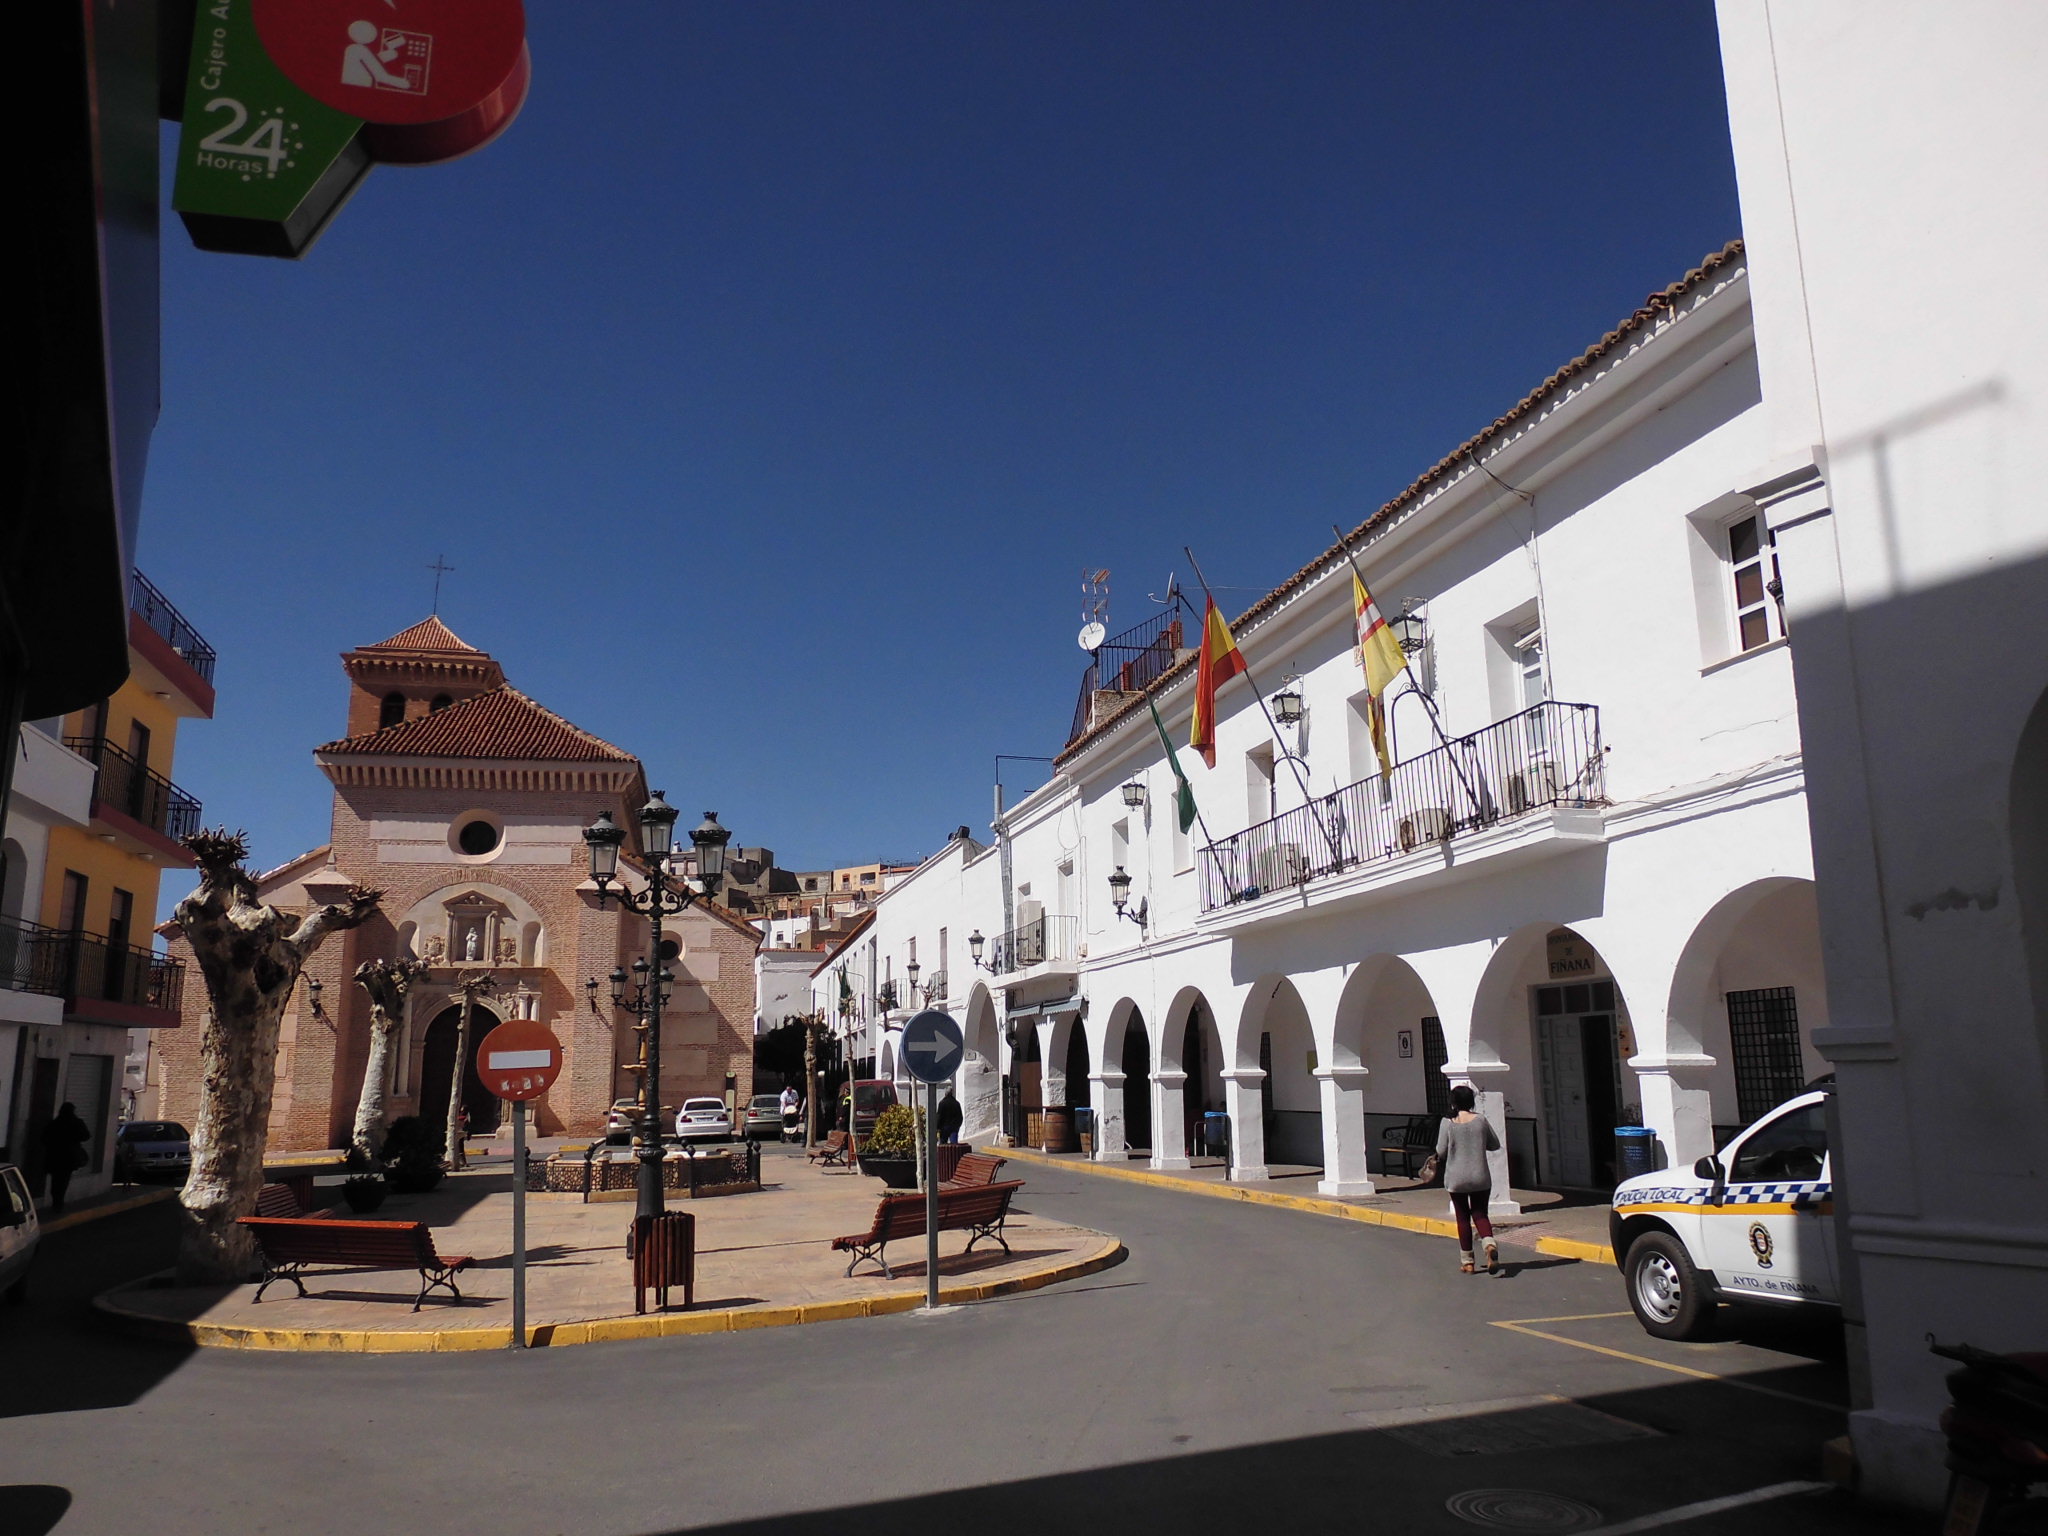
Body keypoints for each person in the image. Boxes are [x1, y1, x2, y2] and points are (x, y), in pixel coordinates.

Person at [1435, 1084, 1502, 1274]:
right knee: (1480, 1214)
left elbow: (1440, 1150)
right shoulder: (1480, 1120)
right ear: (1471, 1101)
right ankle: (1489, 1244)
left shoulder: (1448, 1123)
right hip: (1480, 1176)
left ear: (1453, 1102)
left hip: (1456, 1178)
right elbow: (1494, 1144)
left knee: (1462, 1218)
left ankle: (1468, 1262)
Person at [40, 1103, 91, 1212]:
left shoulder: (54, 1124)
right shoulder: (75, 1123)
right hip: (68, 1158)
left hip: (55, 1157)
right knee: (63, 1181)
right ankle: (58, 1203)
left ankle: (57, 1202)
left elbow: (44, 1139)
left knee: (56, 1181)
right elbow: (86, 1135)